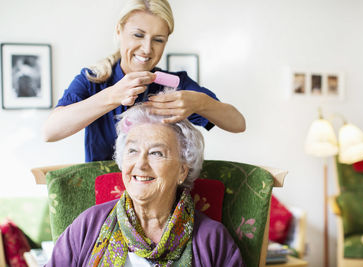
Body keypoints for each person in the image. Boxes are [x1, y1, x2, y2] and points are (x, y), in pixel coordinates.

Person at [42, 0, 246, 162]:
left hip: (159, 197)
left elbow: (238, 123)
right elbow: (50, 132)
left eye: (158, 40)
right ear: (119, 31)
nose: (147, 49)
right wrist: (112, 96)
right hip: (105, 195)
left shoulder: (174, 84)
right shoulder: (93, 80)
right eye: (138, 35)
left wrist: (199, 102)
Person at [45, 105, 245, 266]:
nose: (140, 164)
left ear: (183, 171)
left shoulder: (212, 239)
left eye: (156, 153)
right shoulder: (89, 225)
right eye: (132, 151)